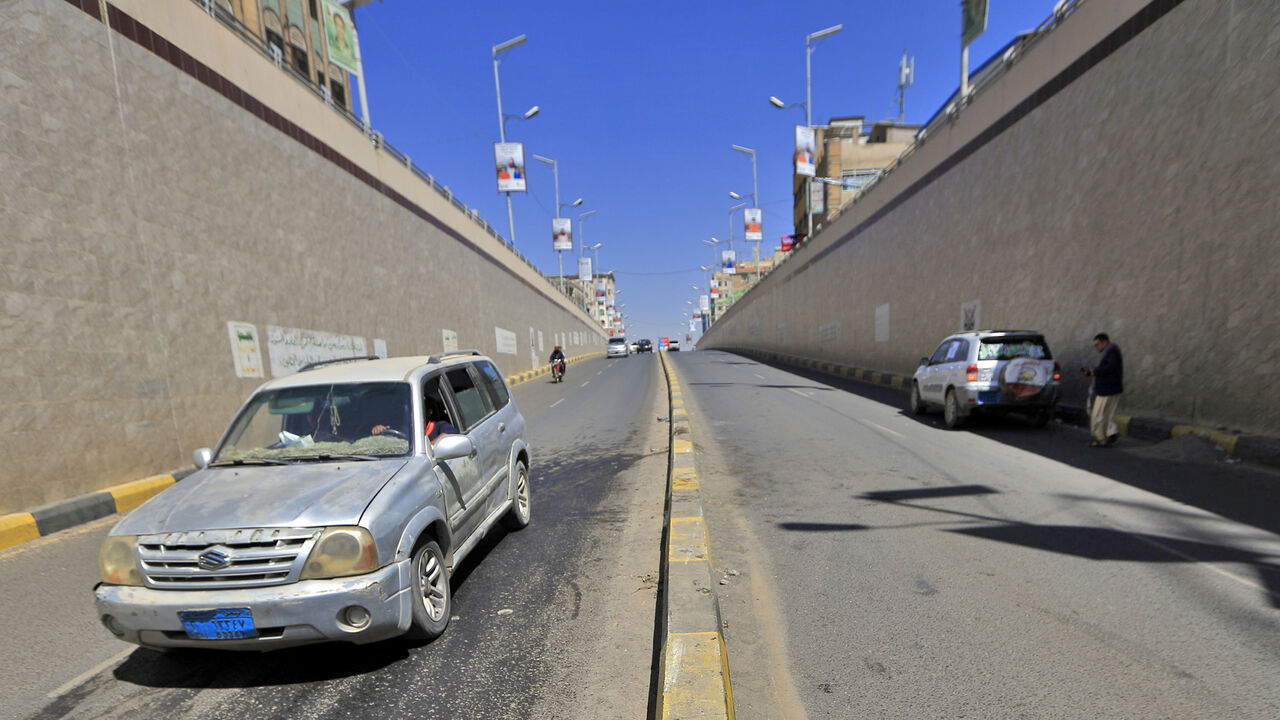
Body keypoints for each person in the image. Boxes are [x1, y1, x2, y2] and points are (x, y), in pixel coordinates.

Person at [1081, 333, 1123, 447]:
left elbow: (1109, 367)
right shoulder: (1112, 351)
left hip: (1107, 390)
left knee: (1097, 415)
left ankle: (1102, 438)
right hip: (1112, 389)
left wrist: (1094, 372)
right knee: (1107, 415)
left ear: (1105, 342)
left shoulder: (1111, 351)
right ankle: (1110, 433)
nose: (1096, 347)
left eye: (1097, 344)